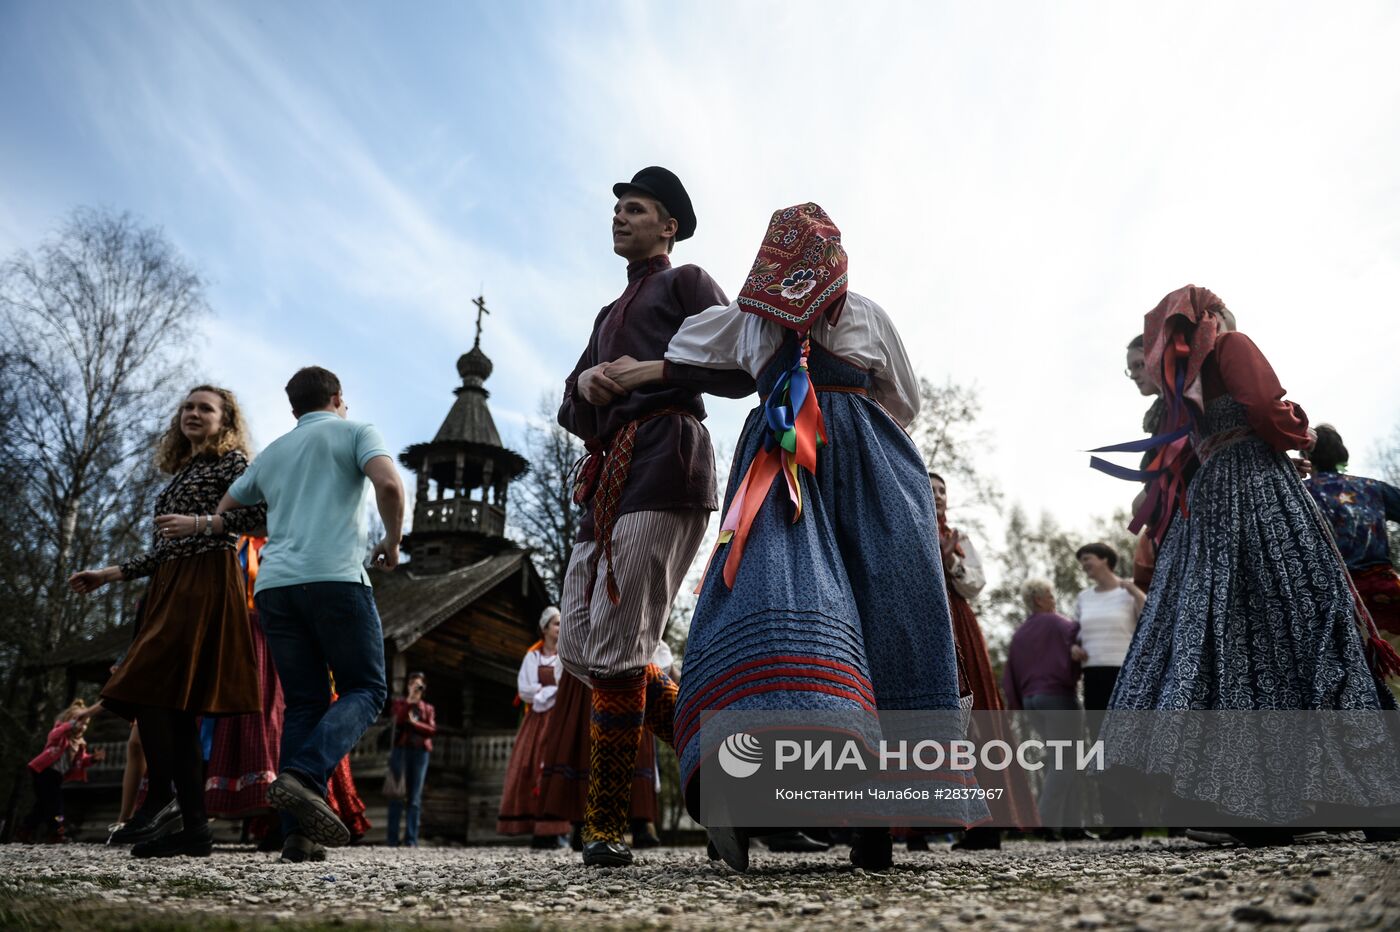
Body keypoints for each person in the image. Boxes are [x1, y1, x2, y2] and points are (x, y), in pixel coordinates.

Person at [608, 203, 984, 871]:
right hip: (861, 458)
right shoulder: (863, 313)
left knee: (775, 602)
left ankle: (756, 795)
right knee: (872, 608)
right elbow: (906, 400)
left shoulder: (752, 319)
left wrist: (651, 363)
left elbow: (690, 347)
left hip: (784, 460)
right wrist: (856, 415)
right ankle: (856, 813)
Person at [1102, 285, 1400, 844]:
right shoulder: (1221, 356)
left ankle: (1272, 803)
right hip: (1260, 490)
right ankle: (1338, 802)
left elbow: (1242, 418)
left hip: (1222, 501)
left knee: (1241, 640)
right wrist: (1302, 431)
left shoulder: (1209, 363)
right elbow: (1267, 410)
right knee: (1295, 631)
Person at [555, 166, 750, 868]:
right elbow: (571, 413)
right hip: (604, 480)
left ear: (668, 225)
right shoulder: (607, 315)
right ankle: (733, 777)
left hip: (667, 459)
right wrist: (584, 382)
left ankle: (604, 825)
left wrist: (656, 371)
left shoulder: (687, 282)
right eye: (616, 210)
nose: (619, 218)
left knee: (618, 649)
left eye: (635, 209)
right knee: (580, 647)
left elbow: (745, 365)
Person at [70, 385, 267, 858]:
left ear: (225, 420)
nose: (193, 414)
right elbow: (164, 549)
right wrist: (109, 574)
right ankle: (195, 830)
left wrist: (204, 525)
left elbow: (263, 518)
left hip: (205, 582)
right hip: (168, 584)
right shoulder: (184, 471)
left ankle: (160, 796)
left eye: (205, 408)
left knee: (147, 685)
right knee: (172, 705)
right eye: (188, 407)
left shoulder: (233, 463)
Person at [215, 366, 403, 861]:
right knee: (367, 688)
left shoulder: (275, 451)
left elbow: (227, 506)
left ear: (294, 408)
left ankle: (297, 836)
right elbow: (389, 486)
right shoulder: (356, 431)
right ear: (339, 398)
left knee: (303, 704)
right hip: (336, 579)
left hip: (275, 587)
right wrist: (392, 541)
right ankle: (303, 775)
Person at [929, 472, 1039, 850]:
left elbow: (975, 583)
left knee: (976, 718)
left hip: (958, 623)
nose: (938, 495)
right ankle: (915, 825)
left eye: (943, 490)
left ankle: (988, 821)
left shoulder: (958, 538)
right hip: (922, 619)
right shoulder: (903, 527)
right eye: (930, 489)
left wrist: (950, 564)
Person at [1304, 425, 1400, 658]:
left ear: (1307, 457)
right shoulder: (1371, 488)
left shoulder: (1300, 494)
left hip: (1339, 600)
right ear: (1341, 452)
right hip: (1388, 590)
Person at [1002, 580, 1088, 837]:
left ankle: (1072, 826)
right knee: (1067, 761)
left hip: (1031, 702)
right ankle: (1045, 823)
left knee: (1062, 759)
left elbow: (1010, 675)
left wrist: (1017, 704)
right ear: (1038, 599)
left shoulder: (1020, 634)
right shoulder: (1058, 623)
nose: (1053, 600)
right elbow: (1082, 636)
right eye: (1050, 595)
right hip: (1058, 697)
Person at [498, 608, 572, 847]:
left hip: (560, 718)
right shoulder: (533, 656)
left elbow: (569, 686)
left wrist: (548, 692)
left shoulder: (566, 656)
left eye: (562, 624)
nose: (560, 628)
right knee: (529, 767)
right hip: (537, 720)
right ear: (545, 628)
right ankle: (537, 829)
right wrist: (551, 692)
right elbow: (525, 690)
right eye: (556, 624)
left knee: (560, 766)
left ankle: (559, 830)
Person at [1072, 542, 1144, 713]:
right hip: (1092, 671)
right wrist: (1074, 648)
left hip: (1124, 671)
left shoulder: (1130, 589)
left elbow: (1149, 618)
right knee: (1098, 731)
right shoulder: (1083, 597)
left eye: (1087, 559)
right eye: (1081, 562)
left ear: (1104, 559)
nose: (1083, 565)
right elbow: (1076, 633)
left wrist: (1135, 591)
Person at [21, 700, 105, 843]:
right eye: (78, 720)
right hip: (44, 772)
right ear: (67, 720)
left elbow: (80, 762)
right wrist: (71, 724)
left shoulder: (79, 744)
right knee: (56, 804)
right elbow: (54, 734)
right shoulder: (59, 733)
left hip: (57, 776)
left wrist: (93, 759)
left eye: (85, 724)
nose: (81, 725)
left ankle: (25, 830)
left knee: (43, 805)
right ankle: (57, 832)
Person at [387, 672, 437, 847]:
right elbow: (398, 721)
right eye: (413, 684)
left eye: (419, 686)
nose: (416, 688)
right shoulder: (400, 704)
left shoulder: (428, 708)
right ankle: (392, 840)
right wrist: (409, 702)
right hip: (401, 751)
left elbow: (431, 730)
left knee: (415, 797)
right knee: (396, 795)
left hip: (420, 753)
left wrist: (415, 724)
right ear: (408, 686)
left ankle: (411, 840)